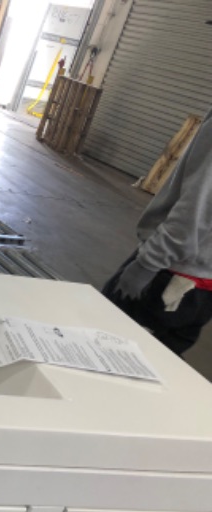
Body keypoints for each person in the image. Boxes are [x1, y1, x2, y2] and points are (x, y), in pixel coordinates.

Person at [102, 106, 212, 355]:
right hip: (202, 287)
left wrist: (148, 264)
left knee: (105, 348)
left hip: (170, 275)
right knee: (152, 366)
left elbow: (198, 205)